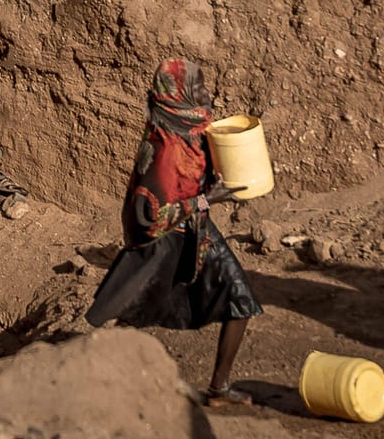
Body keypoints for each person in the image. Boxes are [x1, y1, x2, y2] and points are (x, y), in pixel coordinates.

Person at [86, 59, 260, 408]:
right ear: (177, 97)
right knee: (135, 313)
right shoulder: (166, 148)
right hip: (164, 241)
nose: (207, 95)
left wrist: (214, 185)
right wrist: (205, 200)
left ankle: (219, 389)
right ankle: (91, 378)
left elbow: (196, 180)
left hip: (194, 229)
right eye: (198, 90)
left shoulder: (189, 132)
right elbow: (150, 215)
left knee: (240, 298)